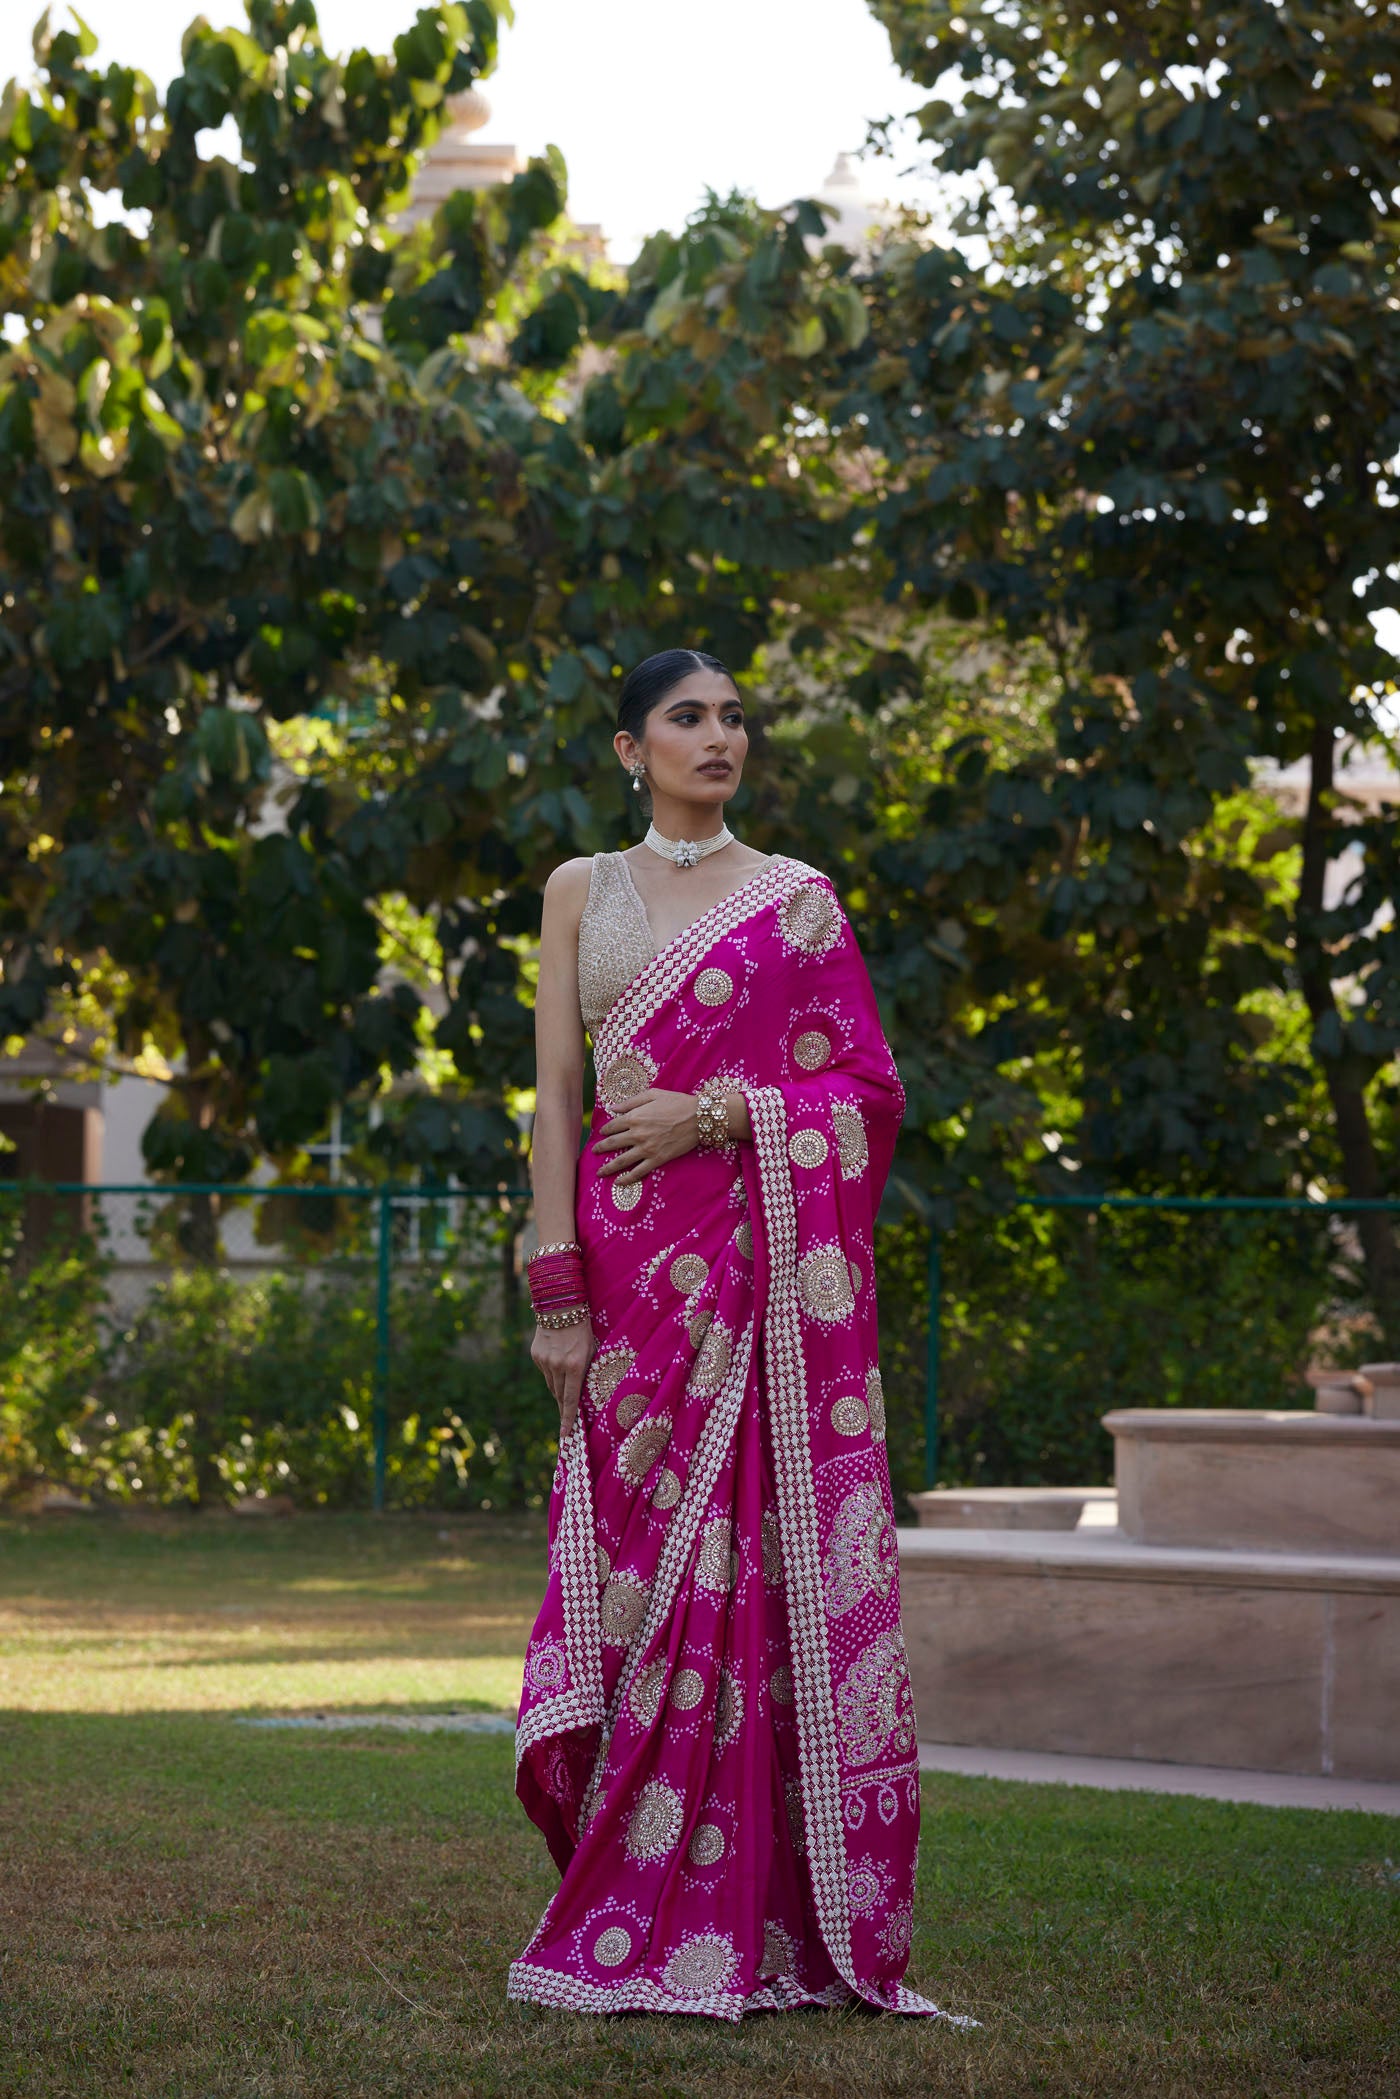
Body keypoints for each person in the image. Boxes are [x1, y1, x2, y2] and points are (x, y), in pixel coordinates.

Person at [509, 647, 960, 2020]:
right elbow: (555, 1098)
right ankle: (626, 1866)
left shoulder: (800, 907)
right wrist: (556, 1284)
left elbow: (867, 1096)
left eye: (733, 718)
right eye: (686, 718)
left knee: (747, 1570)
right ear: (628, 749)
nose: (719, 737)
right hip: (630, 1279)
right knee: (641, 1578)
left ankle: (753, 1914)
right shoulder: (582, 891)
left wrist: (717, 1116)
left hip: (754, 1276)